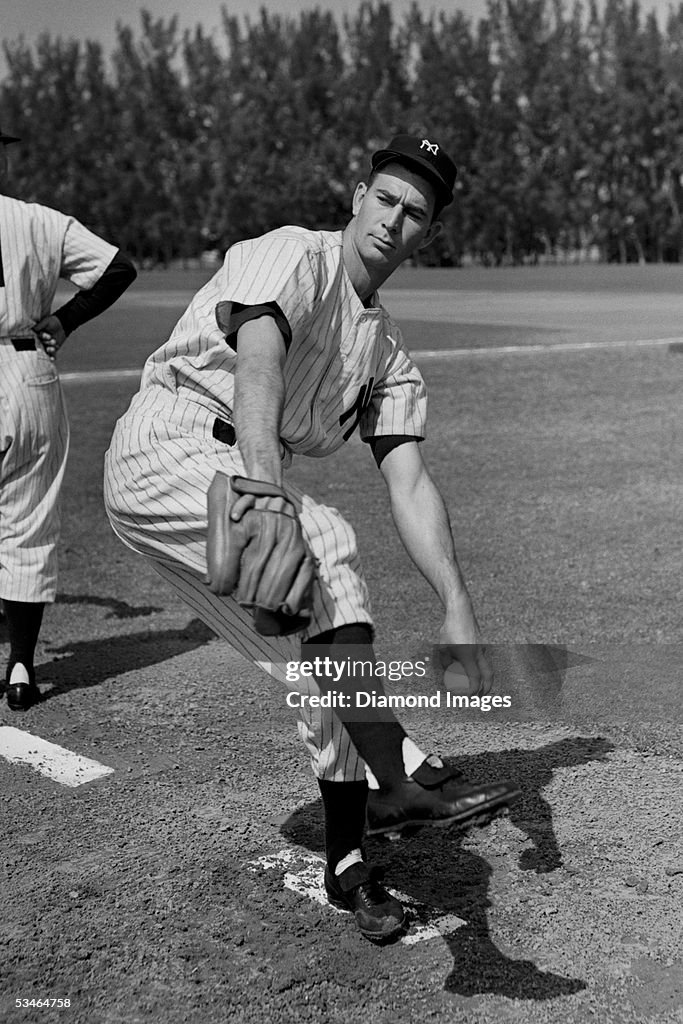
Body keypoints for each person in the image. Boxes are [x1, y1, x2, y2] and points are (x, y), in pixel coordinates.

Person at [103, 134, 519, 944]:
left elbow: (410, 483)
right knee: (322, 535)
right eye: (387, 199)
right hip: (171, 443)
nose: (395, 221)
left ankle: (345, 863)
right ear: (357, 196)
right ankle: (395, 770)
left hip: (231, 474)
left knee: (314, 668)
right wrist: (266, 495)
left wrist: (458, 608)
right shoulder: (294, 255)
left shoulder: (388, 356)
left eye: (416, 214)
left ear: (425, 235)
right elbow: (258, 357)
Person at [0, 125, 137, 710]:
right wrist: (64, 319)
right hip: (26, 372)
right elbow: (118, 268)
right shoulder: (36, 220)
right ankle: (24, 668)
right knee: (26, 525)